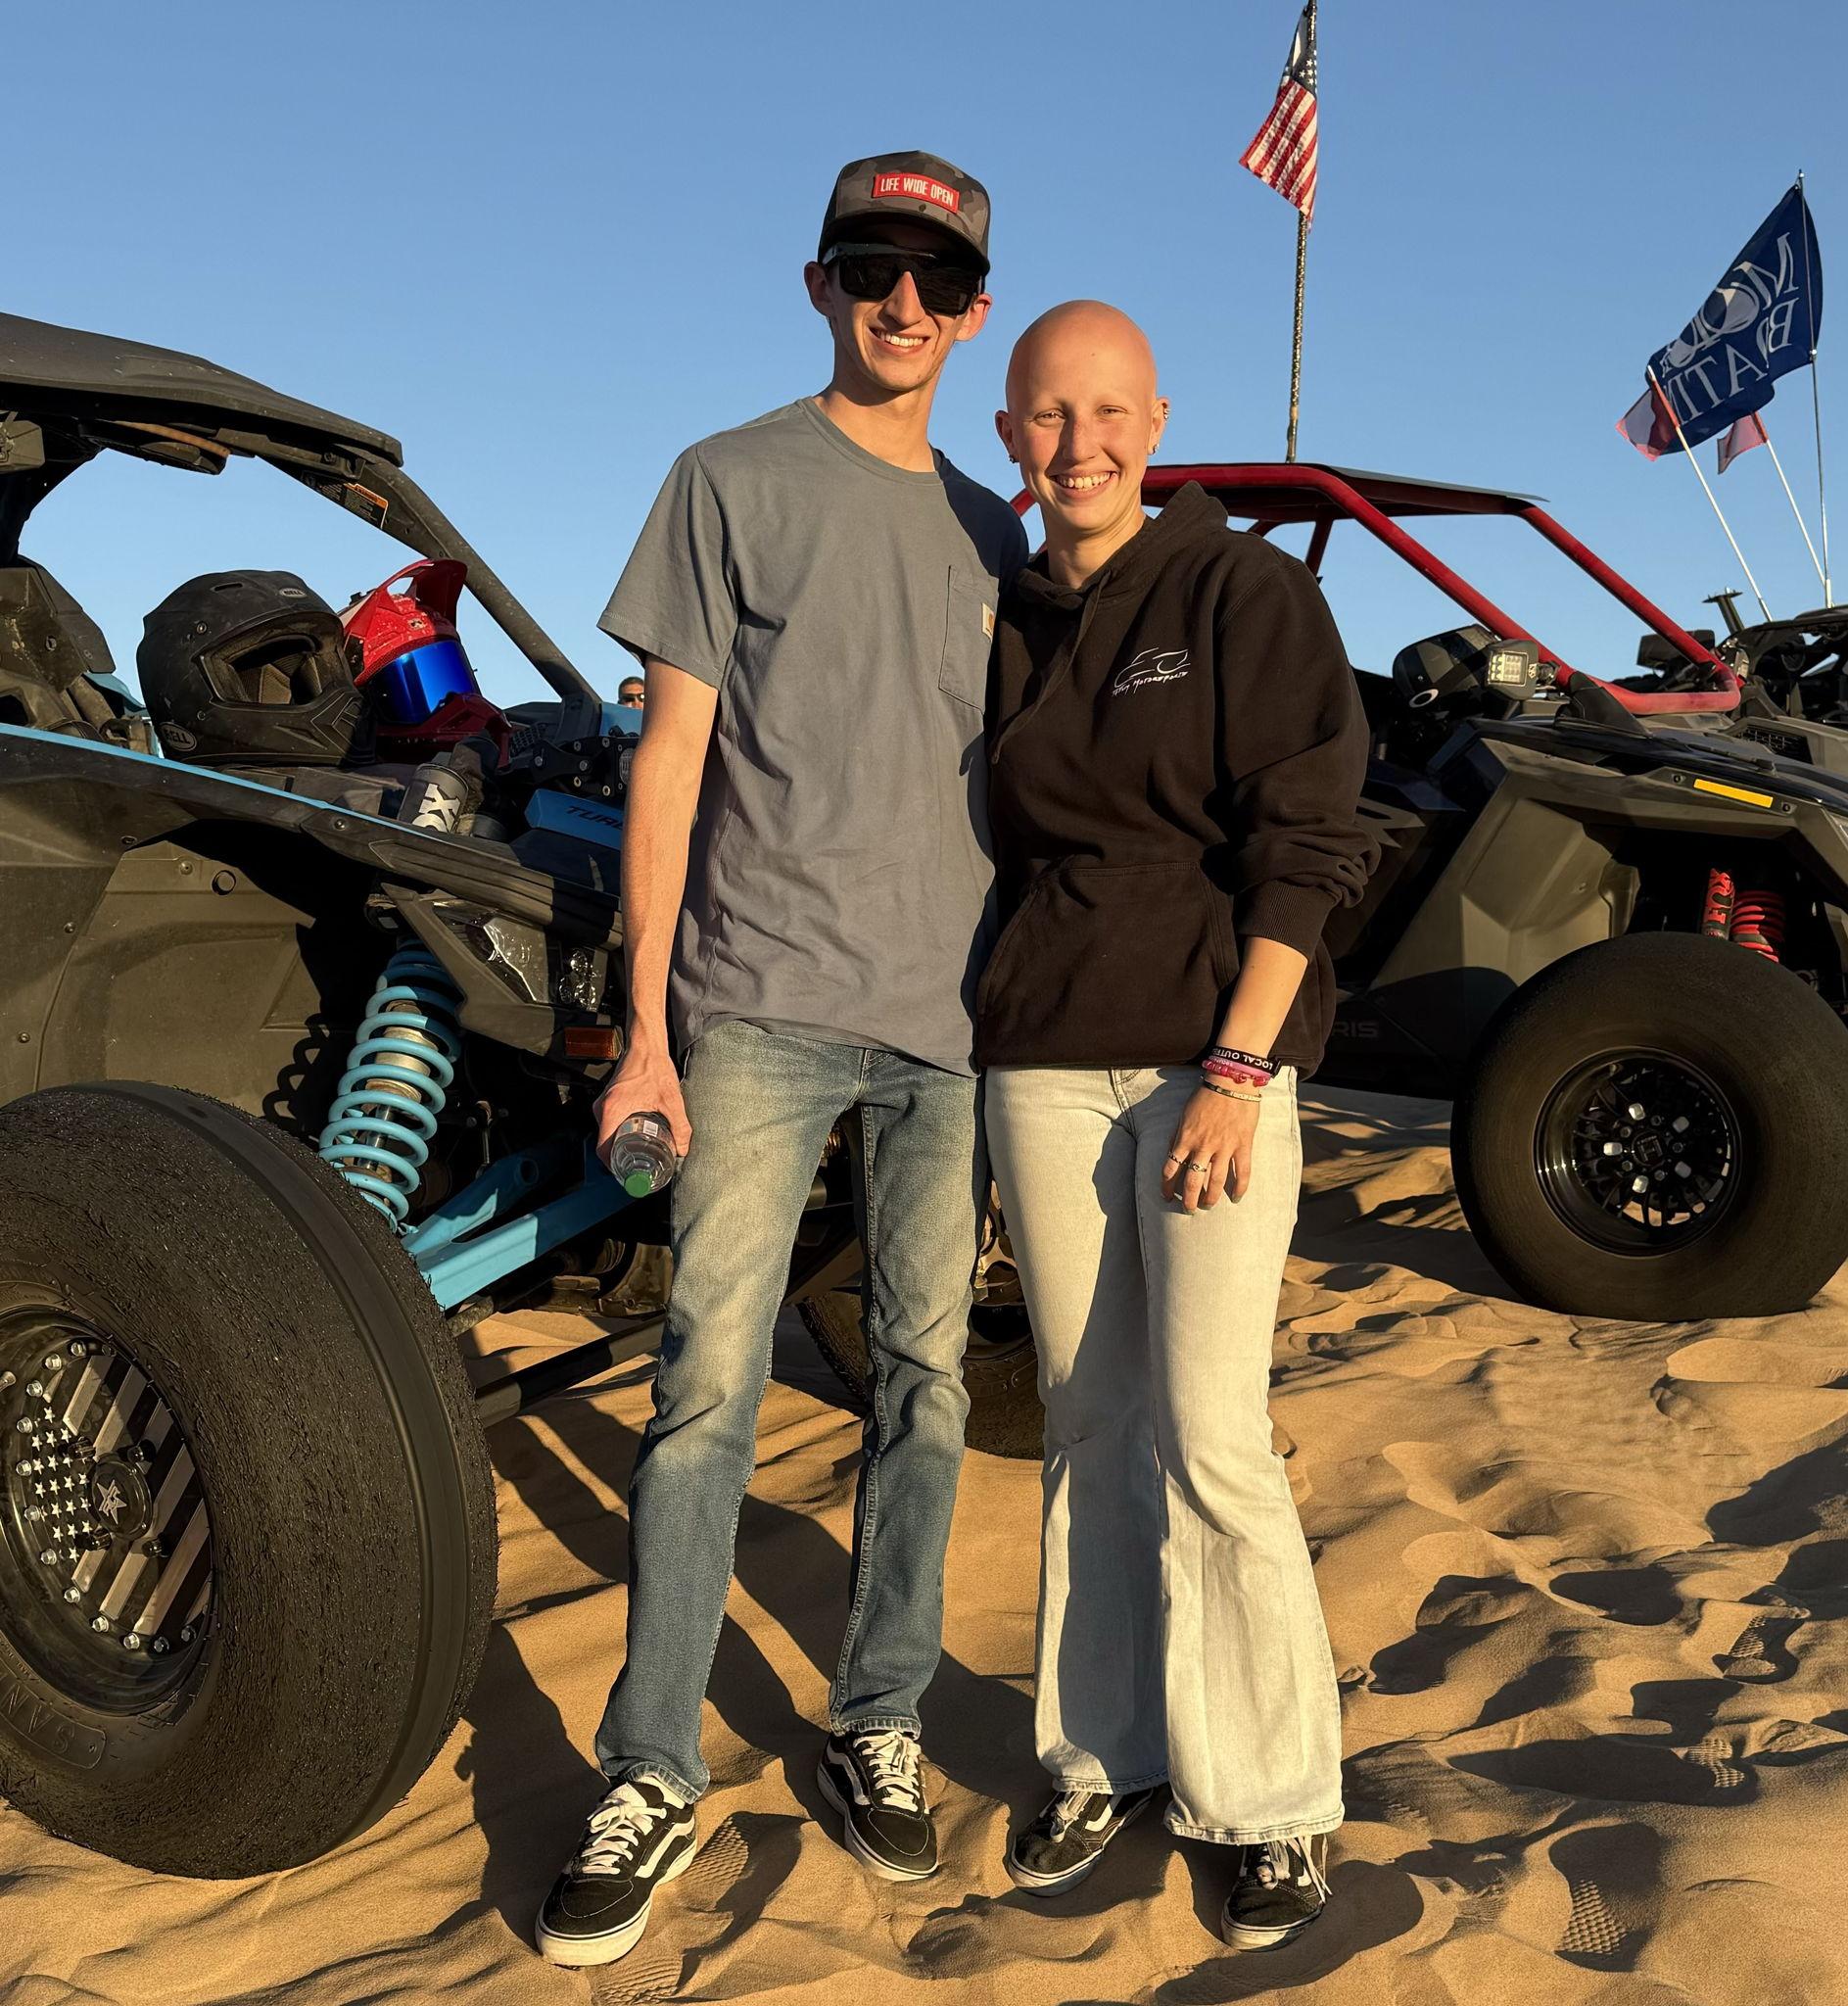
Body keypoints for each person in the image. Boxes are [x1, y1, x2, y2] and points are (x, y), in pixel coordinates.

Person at [535, 151, 1026, 1969]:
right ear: (818, 282)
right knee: (705, 1393)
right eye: (870, 266)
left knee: (924, 1387)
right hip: (752, 1009)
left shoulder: (999, 537)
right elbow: (667, 766)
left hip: (950, 1034)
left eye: (937, 279)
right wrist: (645, 1028)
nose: (903, 302)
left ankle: (872, 1719)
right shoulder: (726, 479)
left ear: (973, 312)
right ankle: (648, 1767)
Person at [978, 303, 1378, 1952]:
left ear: (1152, 424)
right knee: (1087, 1420)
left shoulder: (1237, 591)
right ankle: (1102, 1755)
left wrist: (1235, 1067)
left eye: (1105, 412)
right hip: (1040, 1062)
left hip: (1207, 1068)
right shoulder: (1006, 615)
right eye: (1045, 414)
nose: (1076, 444)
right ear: (1010, 434)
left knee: (1212, 1433)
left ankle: (1268, 1801)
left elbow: (1312, 839)